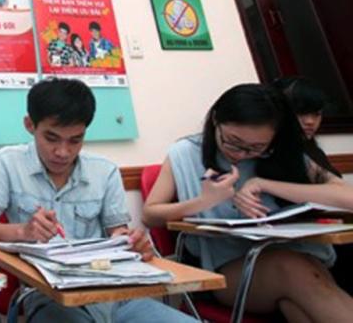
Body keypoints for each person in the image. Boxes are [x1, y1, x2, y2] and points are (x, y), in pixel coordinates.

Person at [0, 78, 196, 323]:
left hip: (114, 293)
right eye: (51, 138)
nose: (63, 152)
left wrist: (131, 244)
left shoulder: (104, 171)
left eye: (75, 140)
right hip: (48, 294)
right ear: (30, 125)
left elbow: (117, 233)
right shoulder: (8, 163)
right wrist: (23, 231)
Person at [142, 83, 353, 322]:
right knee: (293, 270)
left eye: (256, 148)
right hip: (229, 271)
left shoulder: (280, 153)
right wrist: (204, 201)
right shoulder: (185, 152)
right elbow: (150, 215)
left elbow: (348, 197)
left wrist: (263, 184)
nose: (241, 154)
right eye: (232, 142)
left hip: (302, 262)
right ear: (215, 120)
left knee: (297, 306)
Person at [273, 76, 353, 295]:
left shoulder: (310, 151)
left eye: (316, 114)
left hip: (327, 235)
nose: (310, 121)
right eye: (301, 113)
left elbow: (342, 194)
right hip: (294, 246)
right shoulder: (270, 153)